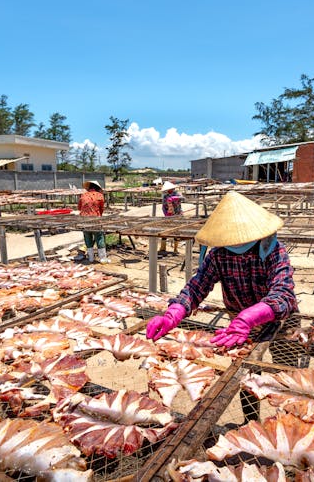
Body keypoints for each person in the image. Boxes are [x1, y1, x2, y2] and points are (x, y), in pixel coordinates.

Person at [146, 191, 298, 422]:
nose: (234, 245)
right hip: (239, 321)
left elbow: (283, 295)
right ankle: (250, 420)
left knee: (286, 373)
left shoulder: (274, 251)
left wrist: (250, 317)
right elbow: (197, 286)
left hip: (278, 318)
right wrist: (173, 313)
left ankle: (289, 421)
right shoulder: (219, 255)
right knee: (245, 374)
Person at [77, 180, 110, 264]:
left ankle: (90, 258)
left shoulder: (83, 195)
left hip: (84, 219)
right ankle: (102, 258)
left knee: (87, 237)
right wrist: (99, 217)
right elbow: (101, 209)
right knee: (99, 237)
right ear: (97, 188)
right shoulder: (100, 196)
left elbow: (79, 207)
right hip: (95, 219)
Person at [160, 181, 183, 253]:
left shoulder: (177, 194)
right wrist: (166, 213)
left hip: (177, 214)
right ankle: (163, 248)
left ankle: (175, 249)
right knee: (165, 231)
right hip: (168, 215)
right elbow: (163, 206)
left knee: (176, 231)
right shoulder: (165, 196)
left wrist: (173, 198)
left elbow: (182, 197)